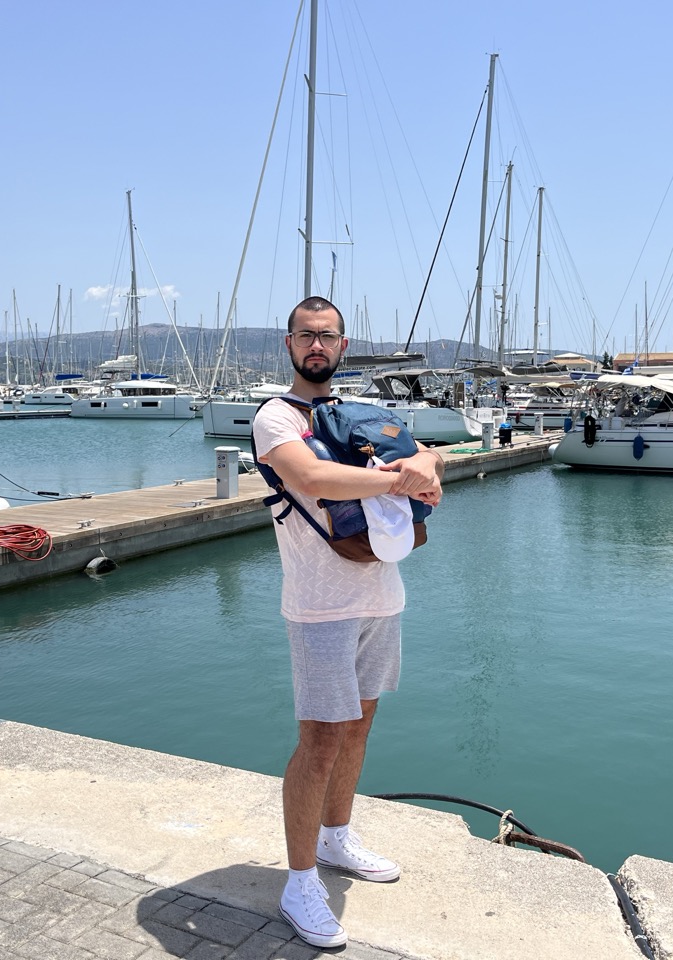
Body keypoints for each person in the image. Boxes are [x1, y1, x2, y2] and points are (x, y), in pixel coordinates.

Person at [252, 296, 444, 948]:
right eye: (306, 335)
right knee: (321, 743)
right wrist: (400, 481)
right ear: (288, 344)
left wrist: (426, 466)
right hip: (320, 608)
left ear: (342, 344)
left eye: (327, 336)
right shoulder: (276, 418)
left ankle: (335, 839)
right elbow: (311, 477)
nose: (316, 345)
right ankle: (298, 881)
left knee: (359, 729)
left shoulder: (361, 414)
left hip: (380, 596)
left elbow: (430, 458)